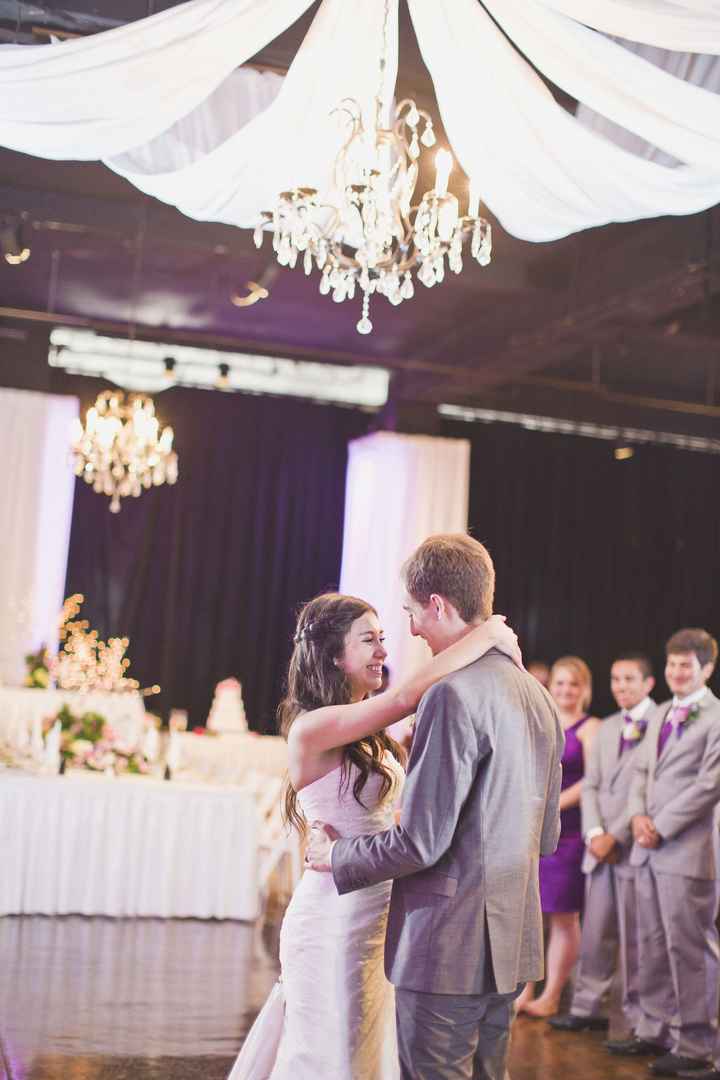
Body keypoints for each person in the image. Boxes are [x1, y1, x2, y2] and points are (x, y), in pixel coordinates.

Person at [227, 589, 522, 1080]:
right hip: (334, 917)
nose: (384, 650)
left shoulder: (370, 735)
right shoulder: (312, 727)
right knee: (332, 1052)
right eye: (369, 640)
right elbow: (406, 697)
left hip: (381, 913)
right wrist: (486, 634)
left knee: (368, 1048)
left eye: (383, 637)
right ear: (334, 656)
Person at [307, 535, 564, 1080]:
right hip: (511, 938)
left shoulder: (451, 694)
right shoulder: (539, 696)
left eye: (411, 614)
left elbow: (421, 842)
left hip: (447, 945)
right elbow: (545, 836)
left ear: (438, 606)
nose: (412, 630)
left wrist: (337, 855)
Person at [607, 628, 720, 1078]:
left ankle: (697, 1044)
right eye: (672, 664)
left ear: (707, 669)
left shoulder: (716, 716)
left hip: (687, 850)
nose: (676, 672)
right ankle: (653, 1029)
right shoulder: (660, 713)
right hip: (647, 847)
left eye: (686, 665)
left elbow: (710, 784)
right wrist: (637, 816)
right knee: (650, 943)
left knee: (689, 949)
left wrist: (661, 825)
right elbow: (641, 771)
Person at [549, 653, 656, 1034]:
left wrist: (616, 834)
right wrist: (595, 832)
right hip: (597, 843)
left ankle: (636, 1021)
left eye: (629, 679)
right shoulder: (609, 726)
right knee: (596, 931)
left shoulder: (660, 723)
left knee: (638, 937)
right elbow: (592, 784)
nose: (621, 686)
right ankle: (586, 1007)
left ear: (648, 684)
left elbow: (648, 789)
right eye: (615, 679)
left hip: (635, 842)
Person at [516, 655, 600, 1017]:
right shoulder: (540, 722)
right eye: (560, 683)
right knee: (530, 914)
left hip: (569, 833)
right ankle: (524, 991)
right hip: (533, 830)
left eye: (573, 684)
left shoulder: (591, 727)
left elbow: (593, 780)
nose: (566, 690)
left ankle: (552, 995)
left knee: (564, 916)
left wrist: (553, 805)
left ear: (585, 689)